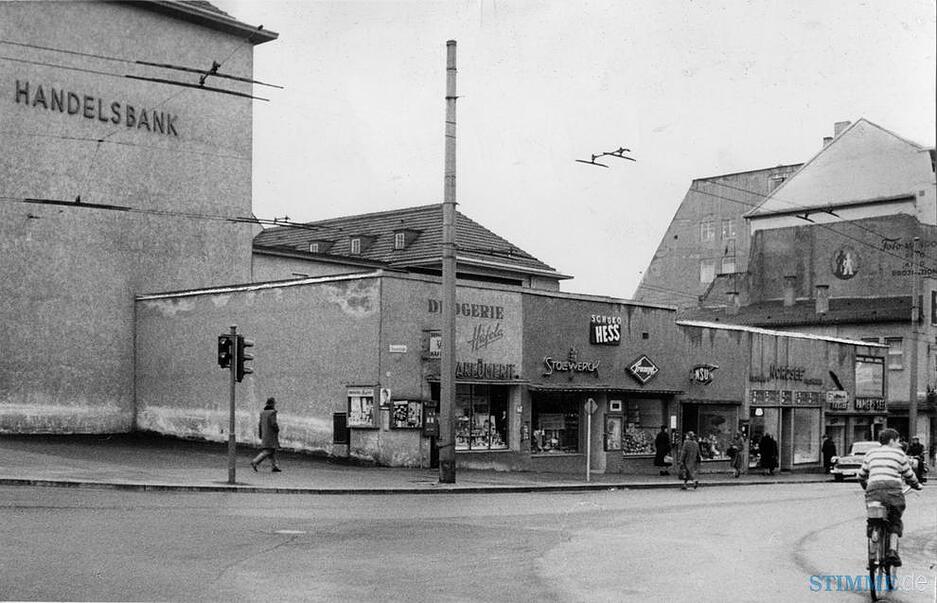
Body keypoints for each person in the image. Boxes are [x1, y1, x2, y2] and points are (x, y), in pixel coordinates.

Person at [857, 428, 922, 567]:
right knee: (895, 520)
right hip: (893, 491)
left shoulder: (870, 453)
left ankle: (873, 546)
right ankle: (892, 551)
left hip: (873, 490)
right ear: (892, 440)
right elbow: (909, 475)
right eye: (898, 441)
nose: (899, 444)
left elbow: (861, 475)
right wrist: (917, 485)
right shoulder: (899, 454)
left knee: (873, 519)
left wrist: (866, 485)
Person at [251, 397, 282, 473]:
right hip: (271, 434)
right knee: (268, 451)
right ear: (272, 403)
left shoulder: (262, 413)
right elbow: (273, 423)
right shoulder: (272, 412)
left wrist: (260, 433)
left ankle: (274, 466)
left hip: (265, 433)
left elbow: (260, 424)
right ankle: (255, 461)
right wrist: (277, 429)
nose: (275, 404)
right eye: (274, 403)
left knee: (273, 451)